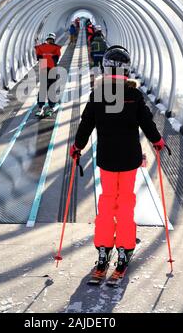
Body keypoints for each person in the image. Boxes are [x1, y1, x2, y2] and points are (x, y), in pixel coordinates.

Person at [69, 45, 165, 278]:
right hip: (129, 159)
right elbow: (147, 123)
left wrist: (77, 147)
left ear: (106, 68)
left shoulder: (98, 94)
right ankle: (124, 250)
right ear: (126, 70)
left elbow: (85, 124)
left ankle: (103, 251)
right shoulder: (133, 95)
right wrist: (158, 142)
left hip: (107, 160)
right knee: (126, 204)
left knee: (106, 203)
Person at [34, 33, 61, 116]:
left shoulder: (41, 47)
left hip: (44, 68)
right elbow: (56, 59)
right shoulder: (56, 48)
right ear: (53, 39)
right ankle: (51, 106)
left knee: (43, 88)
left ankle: (40, 106)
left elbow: (38, 57)